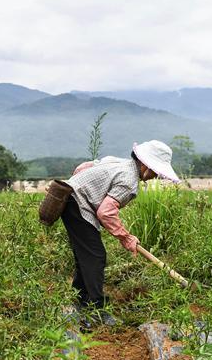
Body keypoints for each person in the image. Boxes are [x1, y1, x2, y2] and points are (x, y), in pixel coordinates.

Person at [62, 140, 180, 328]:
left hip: (70, 199)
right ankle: (96, 310)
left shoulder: (118, 162)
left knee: (86, 255)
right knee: (95, 257)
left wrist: (78, 185)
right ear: (145, 166)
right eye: (155, 172)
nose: (155, 176)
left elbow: (82, 167)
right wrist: (126, 238)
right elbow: (105, 212)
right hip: (78, 204)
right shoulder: (129, 182)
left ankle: (80, 298)